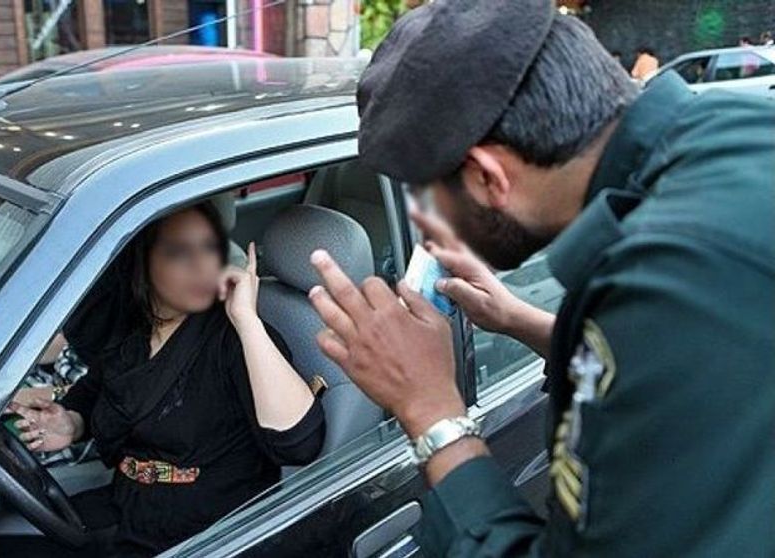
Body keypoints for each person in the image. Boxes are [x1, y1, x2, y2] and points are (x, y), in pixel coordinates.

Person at [308, 1, 775, 556]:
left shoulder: (674, 276)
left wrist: (430, 408)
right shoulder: (730, 133)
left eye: (428, 203)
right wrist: (516, 319)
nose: (430, 233)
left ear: (487, 176)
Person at [8, 202, 325, 556]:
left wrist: (247, 320)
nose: (199, 265)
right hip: (126, 508)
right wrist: (72, 423)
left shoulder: (233, 337)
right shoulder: (132, 332)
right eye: (177, 252)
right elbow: (96, 391)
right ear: (143, 263)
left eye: (207, 249)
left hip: (205, 534)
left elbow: (300, 444)